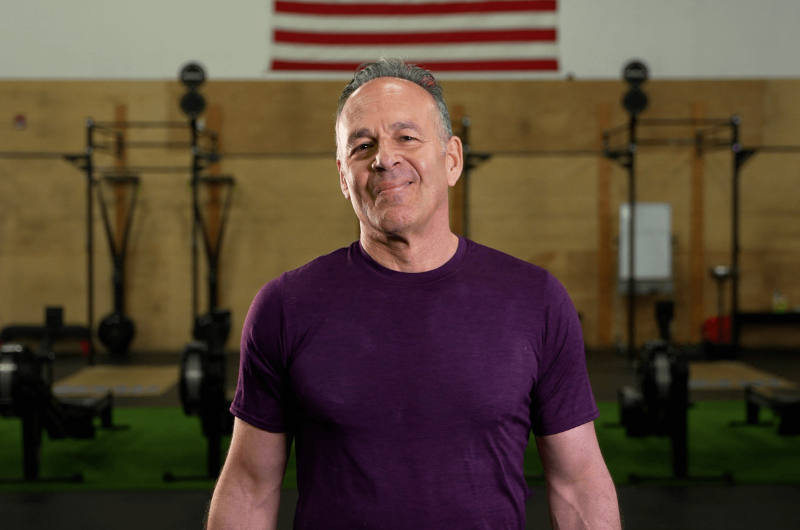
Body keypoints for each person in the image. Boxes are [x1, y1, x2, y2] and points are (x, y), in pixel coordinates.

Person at [207, 58, 621, 530]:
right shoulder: (285, 306)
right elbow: (249, 485)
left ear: (452, 159)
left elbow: (579, 481)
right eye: (363, 146)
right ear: (344, 175)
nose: (385, 158)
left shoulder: (536, 300)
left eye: (406, 137)